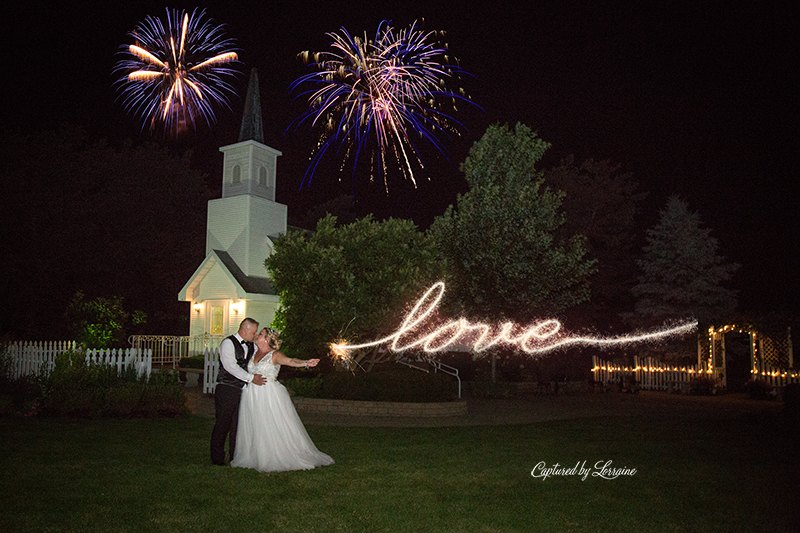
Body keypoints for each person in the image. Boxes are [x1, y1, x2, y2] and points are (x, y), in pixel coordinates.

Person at [231, 328, 334, 472]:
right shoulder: (254, 351)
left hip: (268, 395)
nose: (257, 335)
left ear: (267, 339)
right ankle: (254, 455)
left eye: (260, 334)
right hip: (252, 394)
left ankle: (271, 456)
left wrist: (305, 363)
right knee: (254, 424)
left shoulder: (275, 355)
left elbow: (290, 361)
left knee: (268, 425)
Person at [210, 317, 267, 466]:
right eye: (254, 332)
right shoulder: (228, 343)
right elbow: (230, 366)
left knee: (238, 424)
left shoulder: (251, 346)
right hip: (227, 388)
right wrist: (250, 378)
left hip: (243, 391)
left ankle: (235, 456)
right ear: (245, 329)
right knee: (223, 423)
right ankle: (217, 458)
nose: (255, 335)